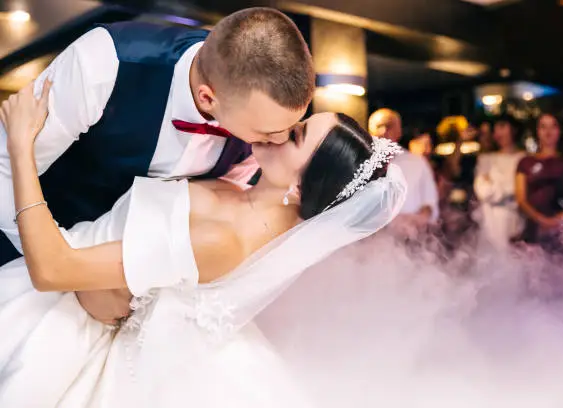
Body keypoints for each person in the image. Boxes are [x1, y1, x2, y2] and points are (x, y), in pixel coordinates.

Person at [0, 82, 406, 406]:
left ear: (300, 187)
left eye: (295, 136)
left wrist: (20, 146)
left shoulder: (222, 240)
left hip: (56, 315)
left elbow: (52, 270)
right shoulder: (245, 182)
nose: (281, 129)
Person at [0, 7, 315, 267]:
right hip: (27, 248)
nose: (279, 141)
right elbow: (6, 167)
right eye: (266, 132)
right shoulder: (106, 62)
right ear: (207, 98)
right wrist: (54, 262)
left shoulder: (258, 132)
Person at [515, 113, 563, 248]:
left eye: (553, 126)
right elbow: (521, 199)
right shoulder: (525, 162)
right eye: (543, 127)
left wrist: (558, 220)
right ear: (537, 131)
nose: (548, 132)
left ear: (560, 130)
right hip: (534, 230)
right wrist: (542, 221)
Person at [368, 108, 438, 232]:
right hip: (373, 240)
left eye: (389, 126)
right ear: (369, 132)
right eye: (379, 126)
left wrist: (415, 220)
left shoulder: (417, 163)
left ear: (399, 131)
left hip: (412, 237)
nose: (384, 131)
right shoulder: (358, 165)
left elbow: (430, 204)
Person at [474, 115, 525, 251]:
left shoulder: (524, 159)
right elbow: (483, 191)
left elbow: (520, 192)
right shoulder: (485, 159)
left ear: (513, 129)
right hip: (490, 226)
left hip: (516, 224)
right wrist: (506, 191)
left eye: (502, 127)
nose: (498, 134)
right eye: (495, 130)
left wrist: (495, 186)